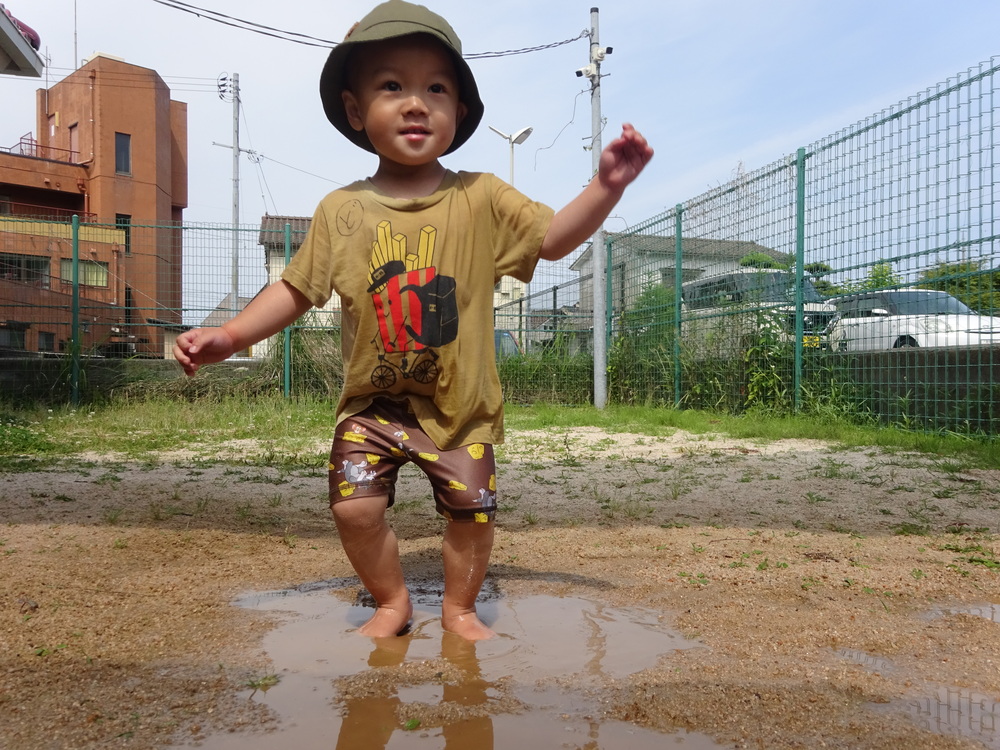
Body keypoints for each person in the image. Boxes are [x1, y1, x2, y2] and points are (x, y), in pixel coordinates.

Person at [173, 0, 653, 641]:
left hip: (459, 408)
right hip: (371, 407)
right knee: (355, 508)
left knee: (471, 513)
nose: (416, 103)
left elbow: (554, 238)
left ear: (458, 110)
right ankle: (392, 601)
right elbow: (293, 289)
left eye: (436, 88)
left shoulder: (480, 197)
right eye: (392, 86)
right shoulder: (340, 211)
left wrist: (606, 189)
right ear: (354, 109)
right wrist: (229, 336)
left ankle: (457, 609)